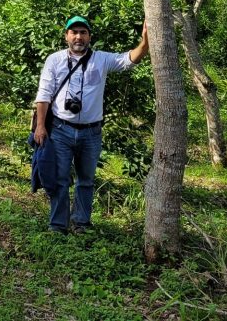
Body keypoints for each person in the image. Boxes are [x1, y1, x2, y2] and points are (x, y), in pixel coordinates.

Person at [32, 15, 149, 233]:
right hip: (60, 130)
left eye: (83, 32)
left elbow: (129, 60)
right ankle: (58, 225)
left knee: (86, 180)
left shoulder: (101, 59)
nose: (78, 36)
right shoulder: (54, 60)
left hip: (91, 132)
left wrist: (145, 42)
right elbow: (44, 95)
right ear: (66, 36)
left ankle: (81, 223)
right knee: (60, 180)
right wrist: (40, 126)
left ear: (89, 37)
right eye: (74, 32)